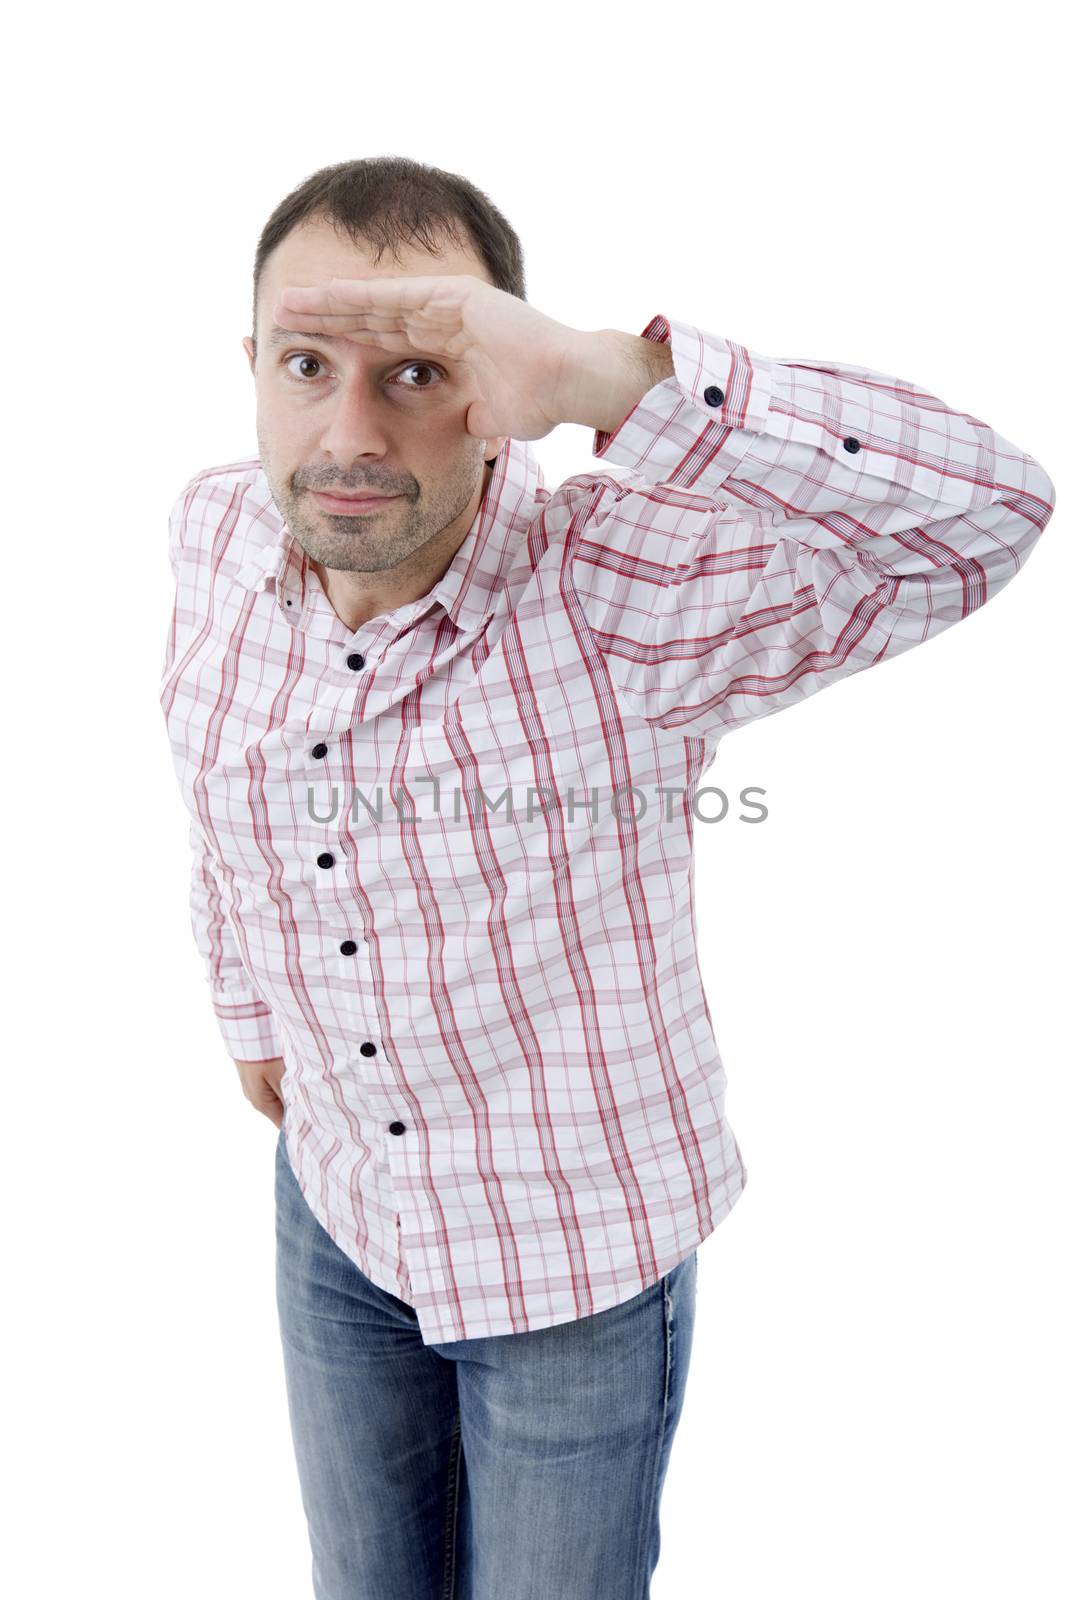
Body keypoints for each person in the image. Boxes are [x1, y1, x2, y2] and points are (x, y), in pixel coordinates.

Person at [158, 155, 1055, 1600]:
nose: (347, 433)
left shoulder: (613, 596)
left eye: (416, 371)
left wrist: (606, 378)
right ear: (248, 364)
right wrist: (248, 1006)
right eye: (306, 363)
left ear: (492, 381)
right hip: (334, 1206)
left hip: (566, 1258)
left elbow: (987, 511)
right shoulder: (215, 532)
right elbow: (223, 793)